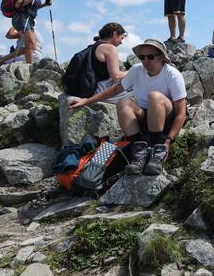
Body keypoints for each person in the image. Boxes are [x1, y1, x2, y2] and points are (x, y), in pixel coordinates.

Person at [69, 39, 187, 175]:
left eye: (150, 57)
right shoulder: (137, 70)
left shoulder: (172, 74)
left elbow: (181, 113)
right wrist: (86, 101)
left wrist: (168, 141)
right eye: (142, 57)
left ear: (161, 57)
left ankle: (157, 150)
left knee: (154, 97)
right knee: (123, 103)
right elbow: (115, 89)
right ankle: (139, 152)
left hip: (166, 119)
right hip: (146, 118)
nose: (145, 61)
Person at [7, 0, 51, 66]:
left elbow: (33, 7)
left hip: (30, 19)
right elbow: (17, 4)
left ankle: (3, 60)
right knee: (30, 44)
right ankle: (29, 67)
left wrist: (45, 4)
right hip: (21, 18)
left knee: (32, 45)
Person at [85, 23, 134, 104]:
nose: (121, 42)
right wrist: (134, 70)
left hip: (90, 89)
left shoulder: (94, 46)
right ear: (115, 34)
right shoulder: (110, 48)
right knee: (141, 87)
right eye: (121, 38)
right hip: (100, 92)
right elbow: (116, 77)